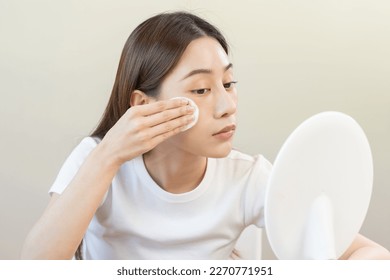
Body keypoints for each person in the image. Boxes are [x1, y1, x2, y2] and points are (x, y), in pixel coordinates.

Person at [21, 11, 390, 260]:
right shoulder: (97, 160)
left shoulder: (248, 178)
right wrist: (108, 157)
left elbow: (367, 254)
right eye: (201, 90)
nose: (227, 105)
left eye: (229, 83)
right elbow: (35, 266)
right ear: (142, 105)